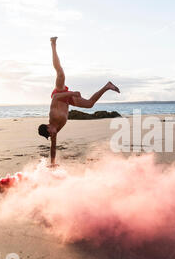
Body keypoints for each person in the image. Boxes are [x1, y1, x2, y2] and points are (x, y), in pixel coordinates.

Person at [38, 37, 120, 166]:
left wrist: (72, 93)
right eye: (51, 135)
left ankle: (53, 44)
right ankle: (107, 86)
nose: (53, 135)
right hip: (67, 101)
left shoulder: (53, 116)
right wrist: (52, 163)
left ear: (48, 127)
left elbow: (54, 98)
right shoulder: (54, 132)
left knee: (60, 74)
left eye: (50, 133)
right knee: (90, 104)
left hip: (60, 95)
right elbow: (53, 148)